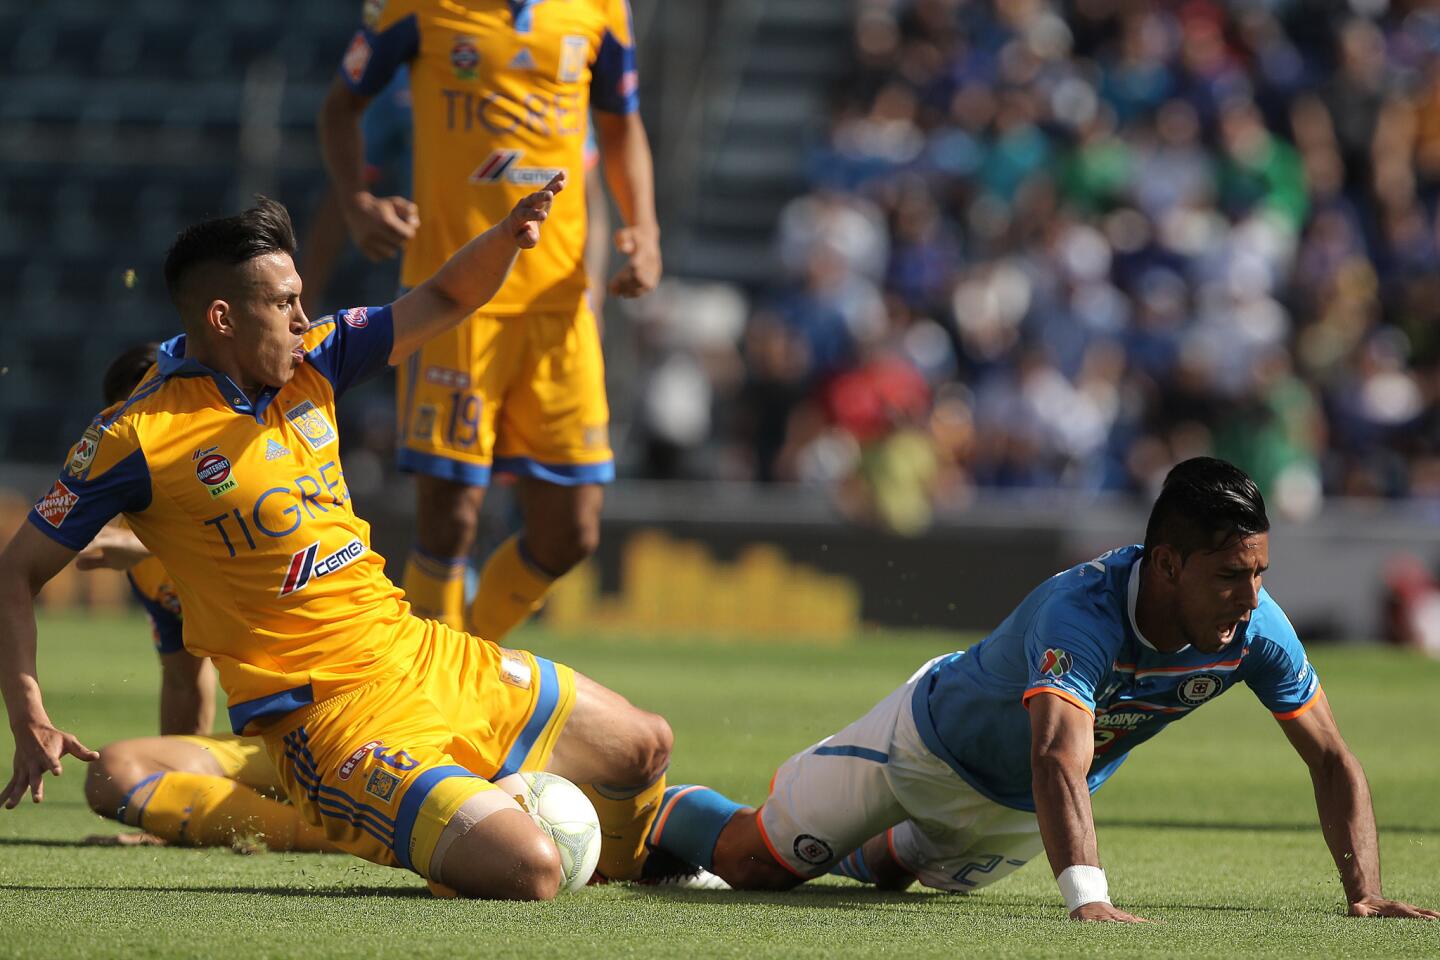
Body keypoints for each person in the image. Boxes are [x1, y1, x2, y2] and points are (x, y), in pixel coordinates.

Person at [1, 183, 674, 900]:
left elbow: (445, 298)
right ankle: (451, 817)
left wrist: (507, 236)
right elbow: (16, 571)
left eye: (300, 299)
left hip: (422, 655)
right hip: (329, 721)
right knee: (530, 870)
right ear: (222, 317)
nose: (302, 317)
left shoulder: (319, 358)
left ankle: (613, 857)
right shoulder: (134, 437)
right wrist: (29, 712)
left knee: (646, 742)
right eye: (283, 303)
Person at [643, 458, 1440, 921]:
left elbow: (1331, 758)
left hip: (1021, 817)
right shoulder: (1081, 611)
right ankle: (649, 810)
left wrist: (1364, 895)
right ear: (1166, 564)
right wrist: (1086, 896)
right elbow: (1058, 753)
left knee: (889, 878)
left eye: (1262, 571)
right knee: (755, 867)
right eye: (1233, 574)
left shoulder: (1254, 629)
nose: (1253, 595)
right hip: (921, 748)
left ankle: (874, 844)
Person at [317, 0, 659, 657]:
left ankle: (449, 665)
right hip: (453, 301)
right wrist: (357, 204)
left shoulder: (600, 10)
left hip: (560, 307)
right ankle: (430, 701)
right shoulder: (417, 8)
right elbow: (340, 106)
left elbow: (620, 126)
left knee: (573, 532)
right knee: (449, 519)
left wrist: (644, 230)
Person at [69, 344, 330, 852]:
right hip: (277, 745)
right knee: (111, 773)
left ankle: (335, 831)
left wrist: (140, 543)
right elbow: (185, 683)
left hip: (353, 713)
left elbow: (265, 543)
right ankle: (324, 827)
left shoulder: (268, 489)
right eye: (140, 417)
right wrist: (165, 809)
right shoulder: (143, 565)